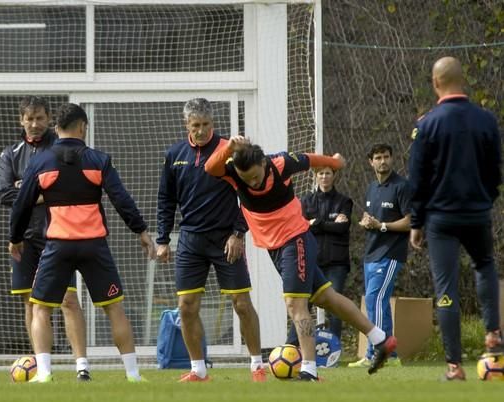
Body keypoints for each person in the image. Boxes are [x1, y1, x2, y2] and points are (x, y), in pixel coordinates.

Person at [204, 136, 396, 380]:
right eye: (246, 179)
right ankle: (381, 339)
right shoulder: (233, 171)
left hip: (295, 240)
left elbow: (309, 159)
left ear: (263, 164)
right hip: (275, 248)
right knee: (327, 298)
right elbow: (210, 167)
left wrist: (334, 162)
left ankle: (309, 369)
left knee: (295, 304)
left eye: (255, 176)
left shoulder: (281, 164)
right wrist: (229, 147)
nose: (252, 182)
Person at [9, 103, 155, 383]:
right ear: (82, 127)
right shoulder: (98, 160)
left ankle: (44, 374)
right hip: (94, 245)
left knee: (40, 307)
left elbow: (22, 206)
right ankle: (134, 375)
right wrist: (141, 232)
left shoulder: (39, 162)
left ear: (56, 128)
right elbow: (121, 199)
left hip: (57, 246)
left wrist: (15, 239)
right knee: (114, 307)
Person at [408, 56, 503, 380]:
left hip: (440, 219)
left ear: (436, 83)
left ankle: (454, 366)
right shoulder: (486, 120)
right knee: (485, 265)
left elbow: (417, 179)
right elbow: (496, 170)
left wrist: (417, 222)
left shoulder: (427, 124)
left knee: (445, 286)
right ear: (463, 81)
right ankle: (493, 332)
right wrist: (485, 199)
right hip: (477, 212)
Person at [156, 98, 264, 382]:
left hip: (226, 240)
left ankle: (257, 365)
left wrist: (238, 233)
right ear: (186, 125)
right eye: (196, 126)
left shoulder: (229, 151)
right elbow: (166, 199)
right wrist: (163, 239)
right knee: (187, 306)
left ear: (213, 124)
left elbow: (248, 194)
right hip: (191, 241)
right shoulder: (174, 154)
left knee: (241, 303)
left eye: (206, 125)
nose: (201, 131)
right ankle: (198, 370)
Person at [0, 96, 90, 381]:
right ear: (20, 120)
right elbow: (5, 195)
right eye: (29, 119)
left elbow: (68, 188)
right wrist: (39, 193)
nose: (35, 124)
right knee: (31, 303)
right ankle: (41, 366)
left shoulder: (61, 149)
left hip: (59, 236)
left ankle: (82, 366)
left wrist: (26, 190)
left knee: (68, 301)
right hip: (24, 238)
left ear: (50, 119)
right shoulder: (10, 154)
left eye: (40, 118)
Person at [348, 144, 410, 369]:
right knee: (373, 304)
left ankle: (381, 353)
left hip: (391, 253)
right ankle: (379, 354)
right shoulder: (372, 187)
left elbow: (410, 221)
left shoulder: (402, 186)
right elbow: (372, 219)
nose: (383, 161)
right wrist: (367, 222)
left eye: (386, 156)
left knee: (378, 299)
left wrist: (382, 225)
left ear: (392, 159)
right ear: (370, 162)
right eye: (378, 158)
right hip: (371, 252)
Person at [286, 165, 353, 345]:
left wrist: (318, 223)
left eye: (328, 173)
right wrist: (328, 224)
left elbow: (342, 227)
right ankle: (293, 345)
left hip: (336, 262)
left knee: (335, 305)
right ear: (315, 176)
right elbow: (300, 226)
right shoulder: (306, 201)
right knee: (302, 304)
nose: (324, 177)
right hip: (311, 261)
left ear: (334, 176)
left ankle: (334, 347)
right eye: (321, 173)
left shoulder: (344, 201)